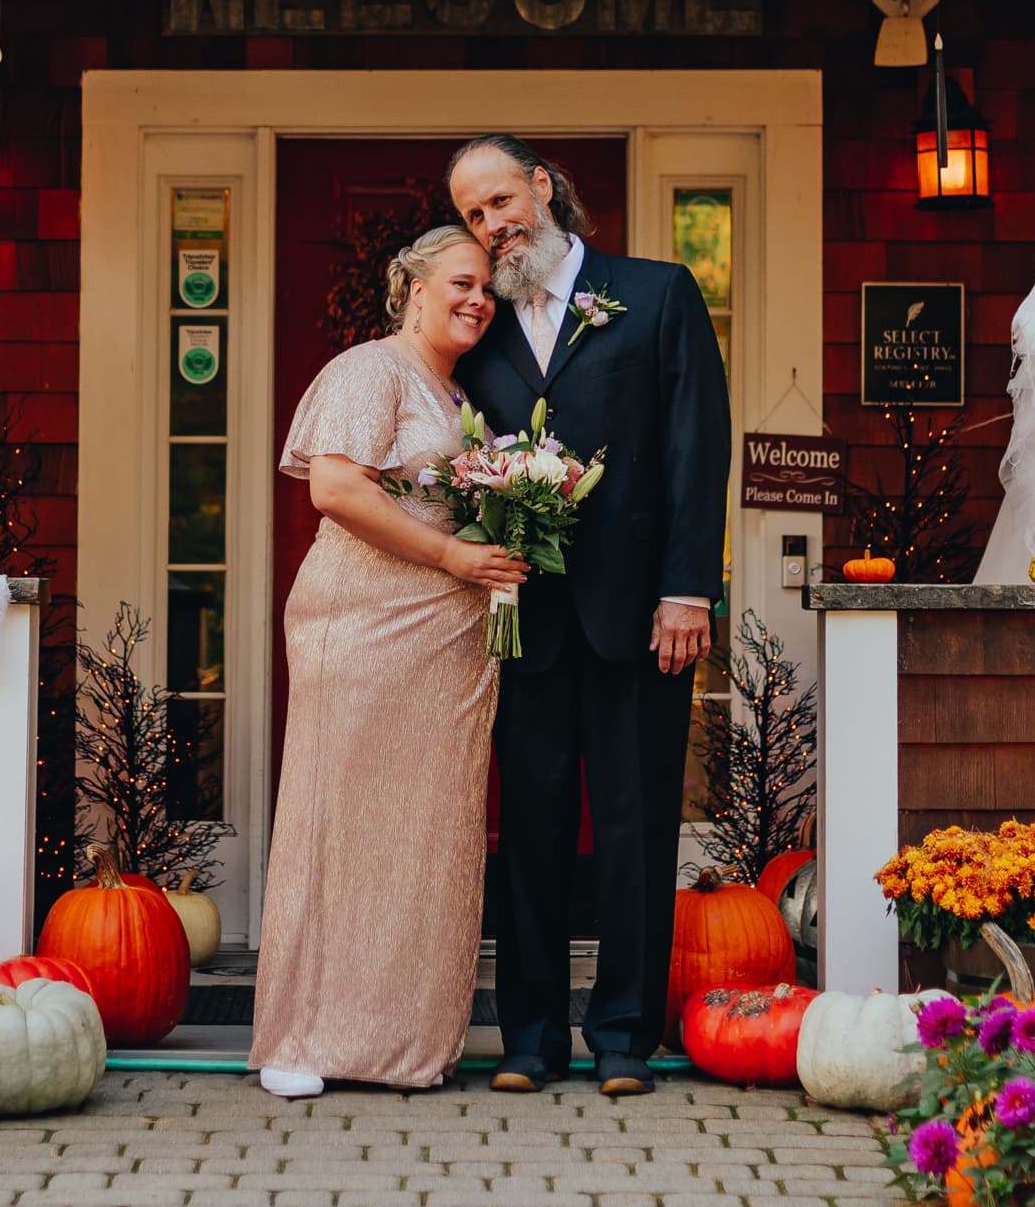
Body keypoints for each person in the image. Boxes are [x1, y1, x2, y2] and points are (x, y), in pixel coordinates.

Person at [445, 134, 730, 1097]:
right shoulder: (475, 327)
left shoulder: (656, 294)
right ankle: (528, 1037)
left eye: (499, 201)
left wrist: (688, 588)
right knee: (524, 827)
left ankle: (620, 1039)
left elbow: (697, 447)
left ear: (542, 185)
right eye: (474, 217)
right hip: (524, 620)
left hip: (641, 616)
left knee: (634, 825)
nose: (492, 226)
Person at [252, 225, 529, 1098]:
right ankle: (303, 1037)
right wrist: (454, 560)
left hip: (445, 646)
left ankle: (403, 1043)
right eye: (460, 282)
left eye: (488, 289)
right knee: (339, 823)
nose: (477, 300)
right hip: (364, 626)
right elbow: (336, 488)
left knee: (425, 838)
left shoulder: (460, 395)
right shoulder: (370, 370)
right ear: (412, 287)